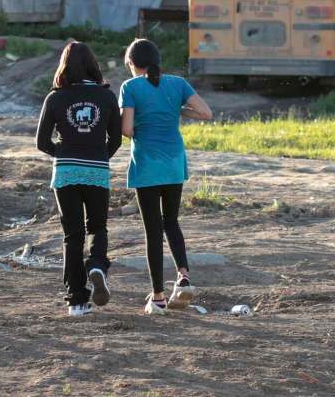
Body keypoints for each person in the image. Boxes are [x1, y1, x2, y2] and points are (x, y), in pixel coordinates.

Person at [119, 39, 213, 315]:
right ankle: (183, 275)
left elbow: (127, 130)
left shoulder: (131, 87)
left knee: (152, 231)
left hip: (147, 165)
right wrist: (177, 111)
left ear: (133, 64)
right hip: (174, 164)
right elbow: (206, 113)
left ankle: (158, 297)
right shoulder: (178, 83)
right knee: (171, 221)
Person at [36, 42, 122, 317]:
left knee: (72, 235)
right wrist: (99, 157)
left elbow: (41, 142)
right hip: (97, 169)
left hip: (65, 172)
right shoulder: (107, 97)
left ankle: (76, 301)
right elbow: (117, 140)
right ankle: (97, 264)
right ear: (93, 65)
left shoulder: (55, 97)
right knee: (98, 227)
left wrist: (62, 155)